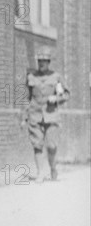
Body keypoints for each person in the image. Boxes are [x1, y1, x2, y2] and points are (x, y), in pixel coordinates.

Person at [21, 47, 70, 182]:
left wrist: (57, 99)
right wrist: (24, 117)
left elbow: (66, 94)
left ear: (49, 62)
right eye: (39, 61)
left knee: (51, 145)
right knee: (37, 144)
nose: (41, 63)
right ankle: (40, 172)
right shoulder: (31, 77)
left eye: (44, 61)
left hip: (51, 114)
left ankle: (53, 167)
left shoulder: (56, 77)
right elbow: (26, 98)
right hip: (34, 114)